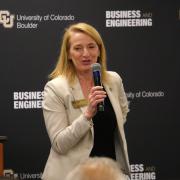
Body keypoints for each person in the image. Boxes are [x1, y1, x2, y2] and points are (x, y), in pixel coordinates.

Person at [42, 22, 130, 180]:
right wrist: (87, 115)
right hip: (71, 175)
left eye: (91, 46)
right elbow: (59, 144)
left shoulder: (113, 80)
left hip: (108, 172)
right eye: (77, 48)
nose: (86, 54)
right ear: (68, 54)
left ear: (99, 50)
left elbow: (122, 111)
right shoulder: (56, 88)